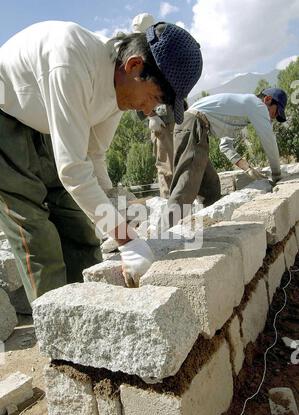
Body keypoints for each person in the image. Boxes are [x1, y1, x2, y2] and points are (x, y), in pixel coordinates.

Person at [0, 20, 203, 298]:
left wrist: (115, 216)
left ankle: (92, 302)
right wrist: (127, 240)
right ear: (134, 66)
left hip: (43, 118)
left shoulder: (120, 90)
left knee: (78, 223)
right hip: (5, 116)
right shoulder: (72, 63)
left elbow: (93, 156)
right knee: (37, 233)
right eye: (154, 98)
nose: (147, 112)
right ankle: (59, 327)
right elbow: (72, 170)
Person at [168, 88, 288, 213]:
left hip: (196, 129)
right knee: (186, 185)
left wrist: (247, 168)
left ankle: (211, 223)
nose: (274, 118)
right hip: (192, 126)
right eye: (276, 112)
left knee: (211, 187)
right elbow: (269, 141)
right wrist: (277, 175)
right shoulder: (256, 104)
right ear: (267, 99)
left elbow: (225, 146)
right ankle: (168, 229)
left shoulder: (240, 111)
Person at [132, 13, 176, 199]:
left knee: (184, 162)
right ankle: (172, 208)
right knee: (167, 167)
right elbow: (134, 90)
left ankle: (186, 204)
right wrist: (151, 116)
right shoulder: (138, 55)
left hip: (176, 115)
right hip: (161, 121)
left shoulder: (164, 50)